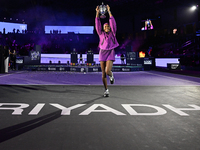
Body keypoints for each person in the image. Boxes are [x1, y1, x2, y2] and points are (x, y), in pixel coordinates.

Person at [95, 5, 119, 97]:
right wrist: (97, 12)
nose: (107, 27)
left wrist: (109, 11)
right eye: (105, 26)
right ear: (103, 28)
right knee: (103, 73)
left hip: (110, 52)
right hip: (102, 52)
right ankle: (106, 90)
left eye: (108, 26)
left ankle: (111, 75)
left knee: (107, 71)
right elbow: (97, 25)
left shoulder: (113, 33)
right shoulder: (101, 34)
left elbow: (113, 23)